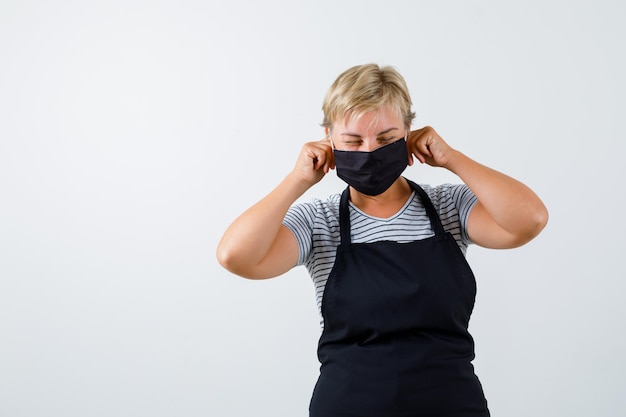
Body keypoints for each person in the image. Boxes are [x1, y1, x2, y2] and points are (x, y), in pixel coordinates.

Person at [216, 63, 548, 417]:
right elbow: (236, 256)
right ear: (329, 139)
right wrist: (297, 180)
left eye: (387, 139)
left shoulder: (449, 207)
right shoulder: (319, 222)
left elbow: (528, 220)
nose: (370, 151)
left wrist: (452, 159)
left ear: (408, 133)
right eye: (353, 141)